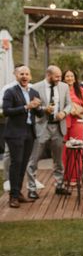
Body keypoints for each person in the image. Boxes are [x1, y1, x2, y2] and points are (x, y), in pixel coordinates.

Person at [26, 65, 73, 198]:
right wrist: (45, 109)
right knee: (34, 159)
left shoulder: (63, 86)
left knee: (58, 160)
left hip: (58, 127)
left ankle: (59, 185)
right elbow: (33, 107)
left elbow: (69, 104)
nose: (60, 79)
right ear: (48, 75)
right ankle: (31, 188)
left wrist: (64, 112)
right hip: (42, 127)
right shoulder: (35, 87)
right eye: (57, 77)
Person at [2, 66, 42, 208]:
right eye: (21, 74)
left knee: (23, 164)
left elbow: (39, 114)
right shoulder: (10, 92)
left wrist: (39, 107)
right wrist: (27, 107)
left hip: (29, 133)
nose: (24, 76)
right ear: (16, 76)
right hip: (14, 133)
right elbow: (6, 111)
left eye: (27, 74)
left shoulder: (34, 92)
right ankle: (13, 196)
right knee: (16, 163)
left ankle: (18, 193)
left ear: (30, 77)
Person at [61, 70, 83, 185]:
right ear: (63, 78)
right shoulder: (60, 90)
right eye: (67, 76)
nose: (69, 78)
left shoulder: (80, 90)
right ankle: (63, 177)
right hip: (63, 121)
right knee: (63, 150)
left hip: (77, 122)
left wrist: (78, 110)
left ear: (75, 78)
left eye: (71, 76)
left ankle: (74, 178)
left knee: (76, 148)